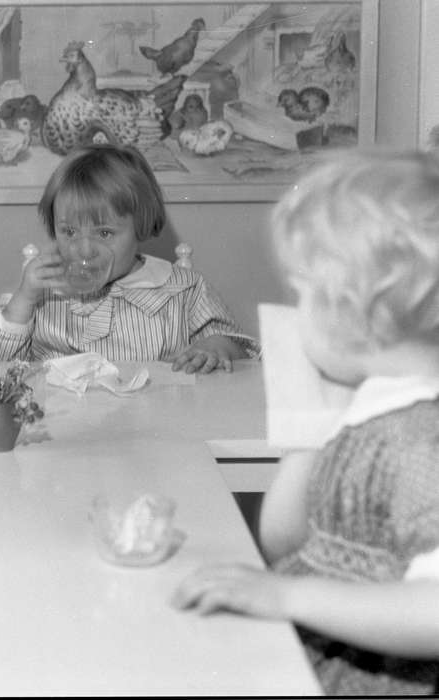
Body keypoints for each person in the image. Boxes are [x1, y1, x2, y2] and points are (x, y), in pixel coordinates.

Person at [172, 149, 439, 695]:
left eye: (303, 293)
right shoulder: (373, 406)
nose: (294, 312)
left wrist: (286, 598)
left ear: (352, 312)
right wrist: (306, 440)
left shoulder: (423, 442)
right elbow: (288, 544)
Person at [0, 143, 258, 373]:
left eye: (104, 233)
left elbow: (238, 349)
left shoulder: (182, 288)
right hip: (62, 424)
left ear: (141, 226)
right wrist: (24, 300)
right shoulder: (45, 292)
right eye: (69, 231)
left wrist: (214, 348)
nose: (84, 249)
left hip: (154, 425)